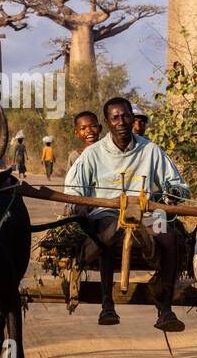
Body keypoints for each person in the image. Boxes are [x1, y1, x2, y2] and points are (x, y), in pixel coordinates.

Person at [63, 97, 189, 332]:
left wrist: (173, 192)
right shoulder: (93, 154)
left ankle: (165, 309)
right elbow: (73, 191)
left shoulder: (150, 150)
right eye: (115, 118)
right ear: (107, 123)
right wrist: (79, 205)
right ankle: (107, 305)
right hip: (106, 214)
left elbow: (178, 185)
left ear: (132, 119)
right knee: (110, 233)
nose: (121, 121)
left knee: (170, 237)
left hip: (148, 216)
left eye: (125, 116)